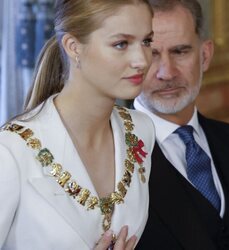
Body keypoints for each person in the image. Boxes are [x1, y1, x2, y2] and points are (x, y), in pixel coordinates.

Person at [0, 0, 155, 249]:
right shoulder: (10, 151)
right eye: (121, 44)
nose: (142, 60)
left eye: (146, 41)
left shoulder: (140, 130)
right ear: (73, 47)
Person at [134, 0, 229, 249]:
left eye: (180, 51)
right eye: (152, 54)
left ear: (205, 55)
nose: (167, 72)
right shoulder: (106, 163)